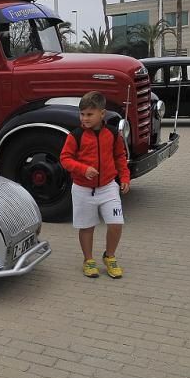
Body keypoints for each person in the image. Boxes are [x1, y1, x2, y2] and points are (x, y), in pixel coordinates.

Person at [59, 91, 130, 278]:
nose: (85, 118)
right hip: (82, 189)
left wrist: (124, 178)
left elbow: (120, 157)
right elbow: (65, 159)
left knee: (116, 223)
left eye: (89, 114)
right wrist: (83, 169)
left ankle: (110, 256)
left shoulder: (113, 134)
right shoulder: (75, 136)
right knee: (87, 226)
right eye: (82, 114)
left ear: (102, 113)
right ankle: (88, 260)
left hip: (108, 188)